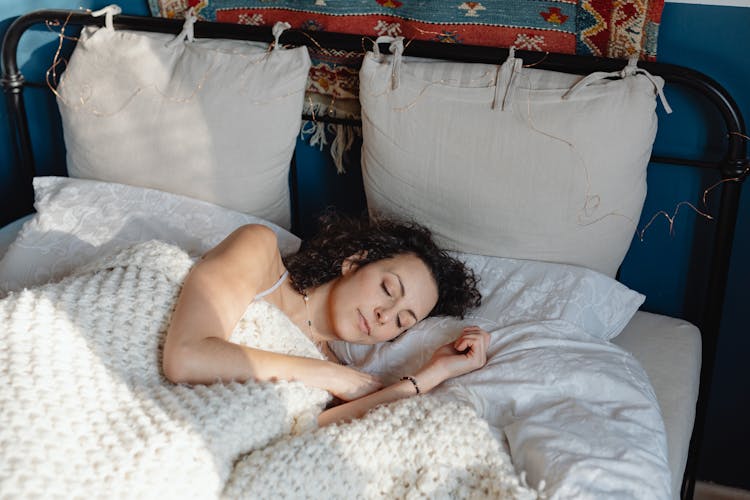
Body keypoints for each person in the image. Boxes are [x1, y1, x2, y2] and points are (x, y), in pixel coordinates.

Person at [163, 213, 487, 426]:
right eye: (387, 289)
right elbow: (186, 357)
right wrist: (326, 375)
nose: (384, 315)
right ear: (354, 262)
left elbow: (313, 431)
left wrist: (436, 372)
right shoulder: (258, 249)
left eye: (402, 321)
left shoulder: (336, 370)